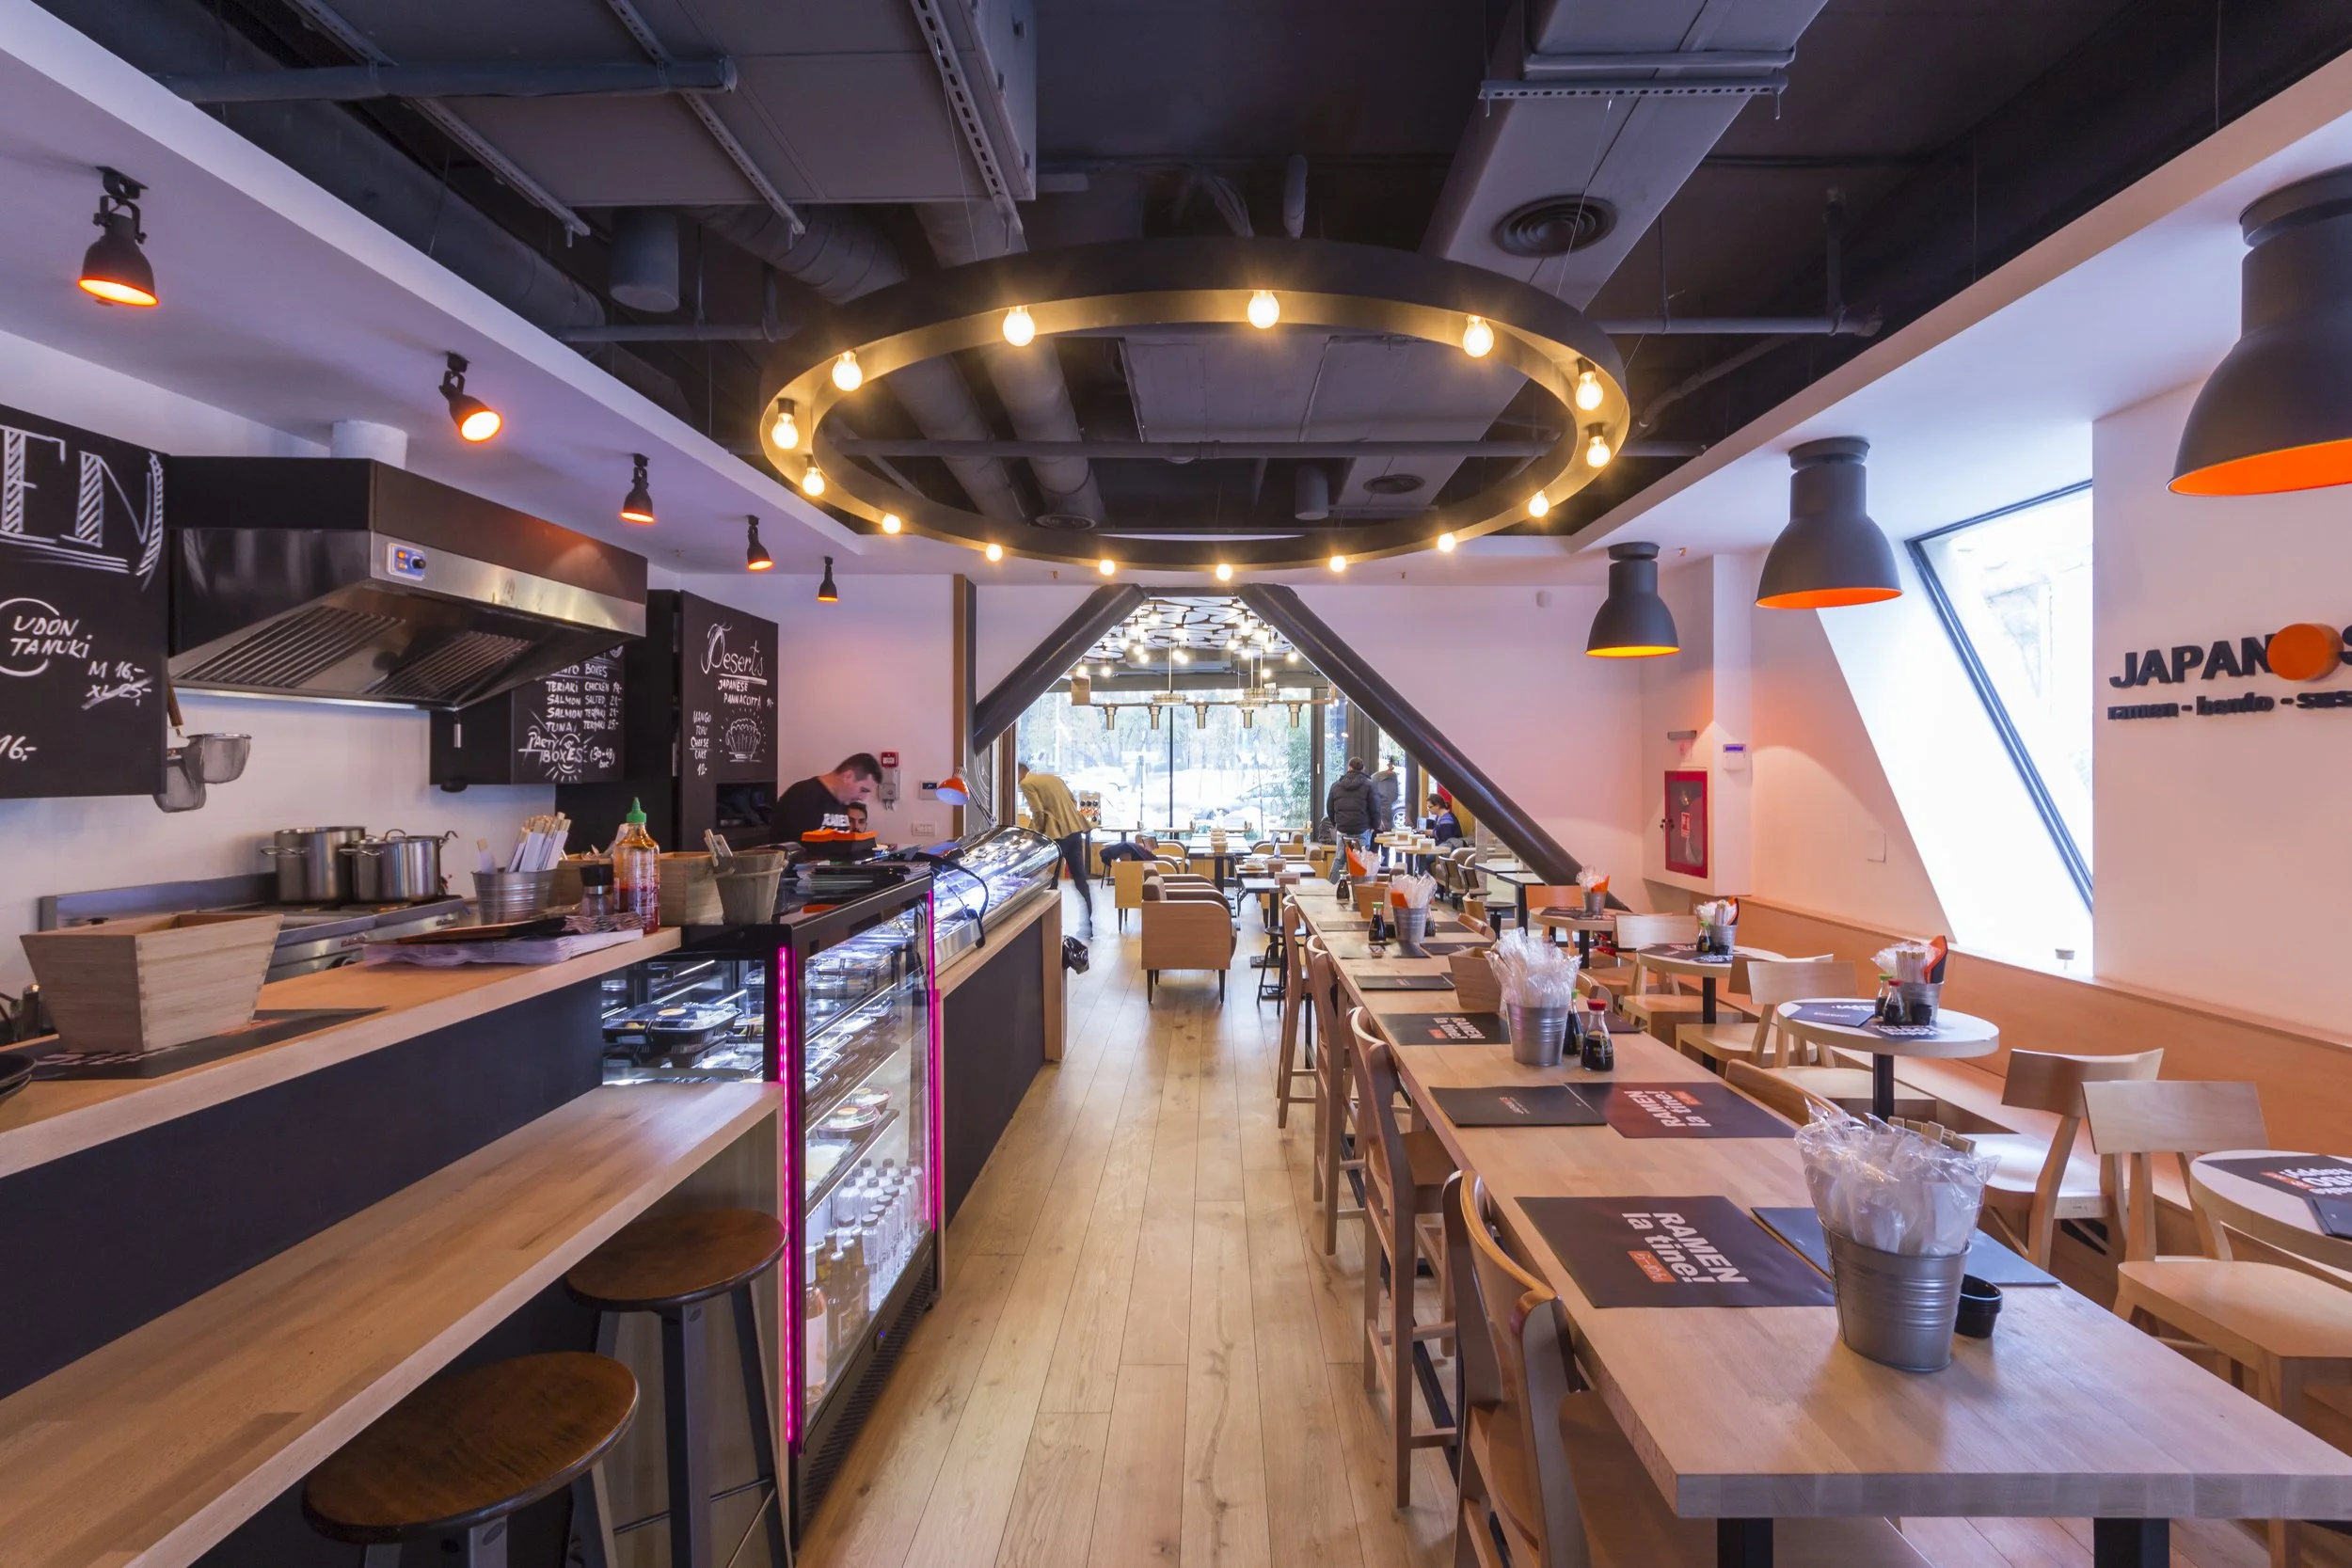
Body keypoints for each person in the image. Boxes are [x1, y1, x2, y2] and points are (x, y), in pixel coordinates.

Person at [1018, 760, 1093, 931]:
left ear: (1019, 772)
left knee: (1051, 881)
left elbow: (1037, 811)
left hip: (1056, 835)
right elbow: (1073, 801)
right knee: (1080, 878)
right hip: (1074, 830)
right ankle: (1089, 922)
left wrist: (1036, 834)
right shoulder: (1054, 778)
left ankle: (1050, 928)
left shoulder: (1026, 783)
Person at [771, 753, 882, 845]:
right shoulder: (802, 796)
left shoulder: (842, 801)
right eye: (863, 790)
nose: (863, 798)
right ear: (848, 777)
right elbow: (797, 851)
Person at [1326, 756, 1374, 849]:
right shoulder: (1369, 785)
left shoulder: (1335, 785)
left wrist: (1337, 824)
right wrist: (1373, 826)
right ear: (1363, 769)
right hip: (1362, 828)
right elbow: (1375, 808)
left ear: (1349, 768)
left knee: (1340, 857)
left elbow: (1329, 809)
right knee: (1360, 857)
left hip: (1343, 829)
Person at [1369, 756, 1401, 836]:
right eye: (1389, 765)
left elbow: (1395, 796)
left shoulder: (1394, 777)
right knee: (1375, 840)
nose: (1391, 768)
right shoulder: (1374, 778)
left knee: (1387, 841)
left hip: (1389, 816)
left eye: (1392, 765)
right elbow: (1370, 801)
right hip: (1377, 818)